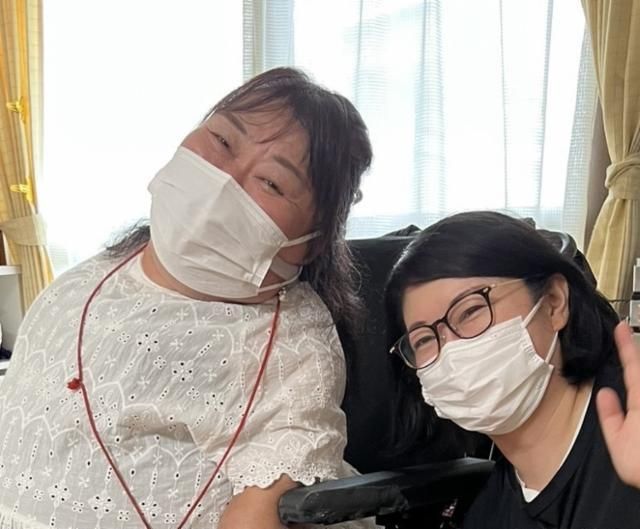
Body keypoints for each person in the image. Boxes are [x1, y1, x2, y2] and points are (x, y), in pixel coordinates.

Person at [0, 67, 378, 529]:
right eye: (222, 140)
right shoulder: (93, 275)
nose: (223, 178)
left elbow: (255, 517)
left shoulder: (295, 352)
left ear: (314, 241)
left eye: (272, 183)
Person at [385, 211, 640, 528]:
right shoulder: (487, 515)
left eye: (471, 311)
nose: (450, 350)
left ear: (553, 301)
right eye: (424, 339)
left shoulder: (630, 439)